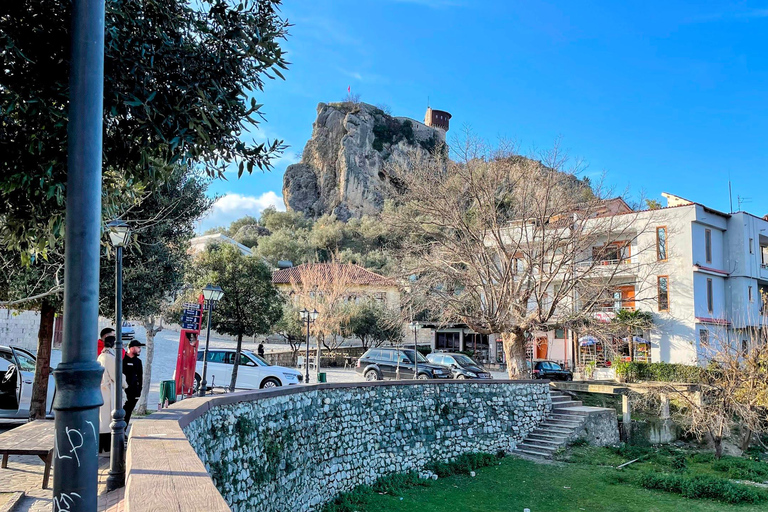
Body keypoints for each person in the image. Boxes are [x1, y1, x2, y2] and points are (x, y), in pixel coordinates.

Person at [97, 335, 126, 453]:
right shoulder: (109, 357)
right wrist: (124, 383)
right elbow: (116, 375)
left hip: (102, 390)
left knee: (102, 420)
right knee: (109, 420)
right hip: (109, 391)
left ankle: (101, 446)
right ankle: (107, 447)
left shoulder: (101, 356)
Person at [122, 339, 145, 427]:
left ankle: (123, 431)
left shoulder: (138, 362)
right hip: (123, 391)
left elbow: (140, 377)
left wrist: (138, 391)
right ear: (131, 348)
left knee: (128, 413)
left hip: (133, 393)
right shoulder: (122, 359)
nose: (140, 349)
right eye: (138, 347)